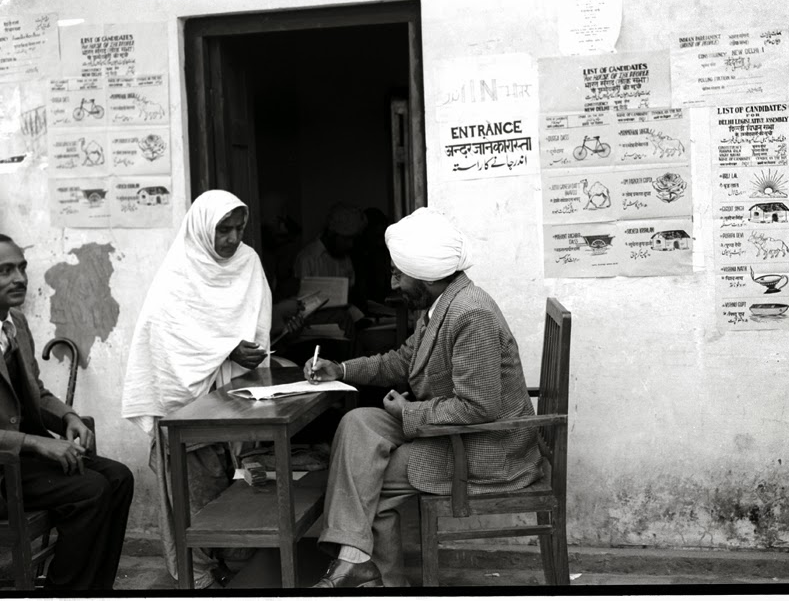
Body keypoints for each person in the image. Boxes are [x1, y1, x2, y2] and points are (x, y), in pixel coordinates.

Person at [303, 208, 543, 587]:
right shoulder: (439, 306)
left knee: (373, 475)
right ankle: (359, 563)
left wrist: (409, 411)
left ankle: (375, 579)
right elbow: (401, 360)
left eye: (399, 273)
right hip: (450, 429)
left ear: (424, 274)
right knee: (356, 423)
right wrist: (341, 370)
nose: (394, 282)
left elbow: (480, 407)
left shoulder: (471, 313)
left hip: (488, 448)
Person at [121, 190, 272, 589]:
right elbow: (165, 340)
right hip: (189, 406)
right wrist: (226, 348)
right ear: (204, 228)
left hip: (239, 396)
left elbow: (256, 323)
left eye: (240, 228)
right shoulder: (179, 271)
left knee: (240, 488)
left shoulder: (249, 262)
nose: (233, 238)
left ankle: (236, 564)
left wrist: (249, 352)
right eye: (223, 229)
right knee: (196, 496)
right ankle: (199, 572)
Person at [0, 233, 134, 590]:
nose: (20, 279)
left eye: (22, 268)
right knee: (89, 490)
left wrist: (69, 418)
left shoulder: (16, 323)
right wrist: (35, 443)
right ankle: (64, 592)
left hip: (25, 461)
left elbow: (37, 393)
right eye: (5, 270)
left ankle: (93, 590)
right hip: (4, 467)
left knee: (119, 478)